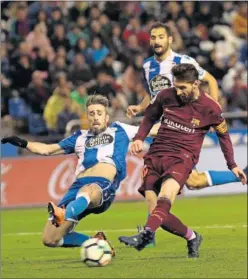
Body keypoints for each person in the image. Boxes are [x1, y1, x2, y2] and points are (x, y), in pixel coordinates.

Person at [125, 22, 247, 245]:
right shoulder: (148, 65)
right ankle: (153, 232)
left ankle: (150, 233)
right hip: (164, 127)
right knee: (186, 182)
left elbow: (208, 80)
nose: (156, 41)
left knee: (177, 184)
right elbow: (152, 94)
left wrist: (210, 110)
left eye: (161, 36)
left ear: (170, 39)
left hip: (184, 129)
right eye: (153, 37)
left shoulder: (184, 62)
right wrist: (140, 107)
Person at [1, 94, 158, 253]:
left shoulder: (120, 129)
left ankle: (65, 212)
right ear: (86, 117)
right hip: (76, 188)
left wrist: (178, 121)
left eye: (99, 113)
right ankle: (97, 243)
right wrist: (22, 142)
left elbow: (153, 130)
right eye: (91, 113)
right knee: (50, 239)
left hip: (101, 186)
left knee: (87, 191)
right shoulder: (79, 137)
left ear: (106, 117)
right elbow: (48, 149)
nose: (95, 117)